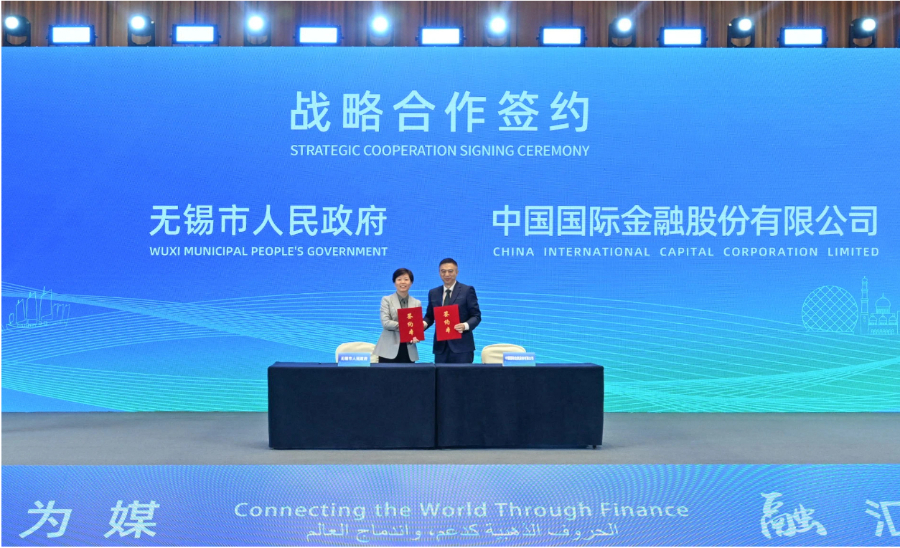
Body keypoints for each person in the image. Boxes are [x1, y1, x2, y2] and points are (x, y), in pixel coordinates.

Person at [424, 258, 481, 363]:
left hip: (462, 347)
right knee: (441, 374)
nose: (447, 274)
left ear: (457, 272)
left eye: (450, 271)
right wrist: (423, 324)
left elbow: (476, 316)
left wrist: (465, 325)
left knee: (462, 374)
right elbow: (430, 316)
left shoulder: (467, 290)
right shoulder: (433, 293)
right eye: (443, 271)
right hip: (441, 348)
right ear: (439, 273)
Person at [374, 268, 422, 363]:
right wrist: (406, 326)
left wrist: (417, 334)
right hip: (388, 349)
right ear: (394, 282)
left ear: (411, 282)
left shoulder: (417, 302)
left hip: (408, 350)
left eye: (406, 279)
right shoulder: (386, 300)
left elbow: (416, 326)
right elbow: (386, 323)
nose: (402, 282)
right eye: (399, 279)